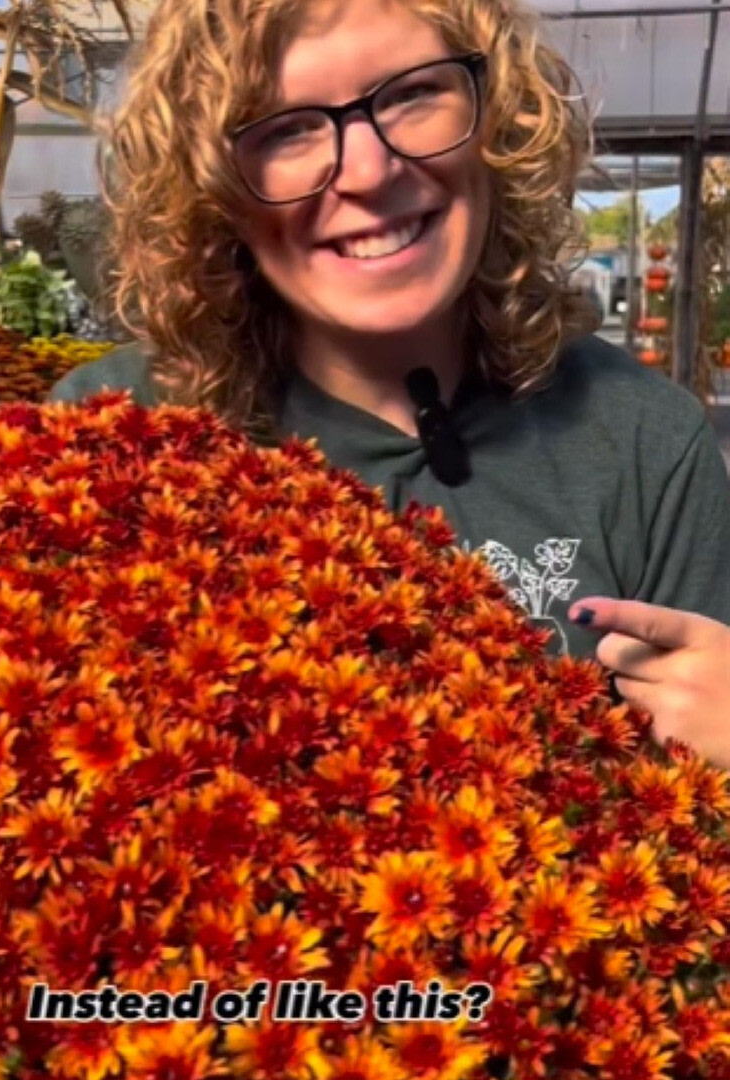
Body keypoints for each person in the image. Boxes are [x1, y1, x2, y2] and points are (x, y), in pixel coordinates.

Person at [51, 0, 730, 742]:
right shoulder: (116, 434)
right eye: (287, 129)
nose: (369, 172)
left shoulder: (639, 441)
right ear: (214, 192)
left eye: (412, 94)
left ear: (498, 117)